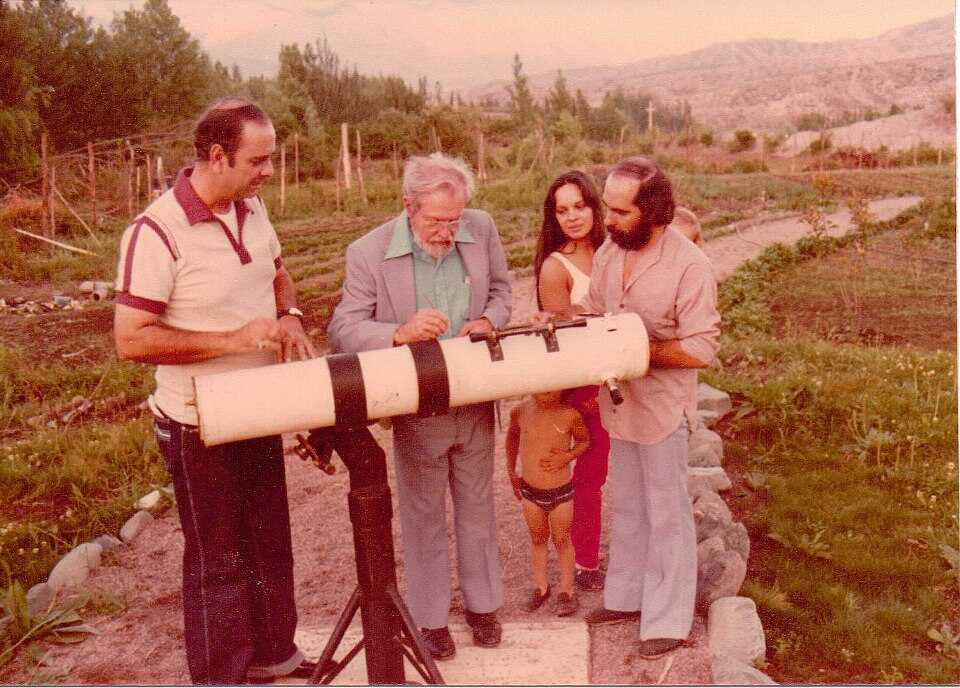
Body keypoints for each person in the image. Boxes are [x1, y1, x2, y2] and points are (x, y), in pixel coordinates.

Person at [113, 97, 317, 684]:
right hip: (197, 421)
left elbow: (277, 271)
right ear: (218, 155)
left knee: (270, 542)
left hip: (257, 409)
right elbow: (132, 339)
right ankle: (221, 675)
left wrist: (293, 314)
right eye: (259, 160)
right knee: (217, 558)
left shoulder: (252, 207)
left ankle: (274, 654)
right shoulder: (156, 230)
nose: (268, 172)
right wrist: (231, 339)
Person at [327, 153, 512, 661]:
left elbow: (501, 290)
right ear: (408, 207)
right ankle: (431, 620)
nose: (449, 232)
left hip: (473, 396)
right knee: (423, 512)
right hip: (416, 404)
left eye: (455, 220)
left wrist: (490, 321)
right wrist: (397, 333)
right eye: (436, 221)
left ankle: (483, 608)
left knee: (477, 506)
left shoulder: (482, 228)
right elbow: (341, 328)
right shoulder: (367, 253)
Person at [574, 156, 720, 658]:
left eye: (620, 212)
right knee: (630, 505)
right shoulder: (612, 253)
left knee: (666, 512)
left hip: (662, 406)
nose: (608, 221)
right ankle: (627, 597)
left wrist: (635, 349)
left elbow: (701, 349)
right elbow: (594, 312)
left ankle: (668, 619)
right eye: (607, 209)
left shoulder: (690, 265)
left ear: (654, 211)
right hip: (620, 403)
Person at [533, 170, 611, 592]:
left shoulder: (614, 250)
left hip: (630, 369)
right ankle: (585, 559)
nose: (573, 217)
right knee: (592, 471)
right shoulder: (555, 266)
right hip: (588, 381)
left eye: (579, 206)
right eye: (562, 210)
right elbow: (566, 342)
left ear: (593, 206)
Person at [505, 391, 590, 616]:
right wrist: (511, 470)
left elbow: (584, 440)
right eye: (542, 387)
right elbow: (512, 437)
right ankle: (541, 587)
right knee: (538, 538)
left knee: (562, 539)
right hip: (531, 492)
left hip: (560, 492)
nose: (547, 392)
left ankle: (567, 590)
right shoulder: (520, 411)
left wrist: (568, 456)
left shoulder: (569, 415)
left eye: (553, 387)